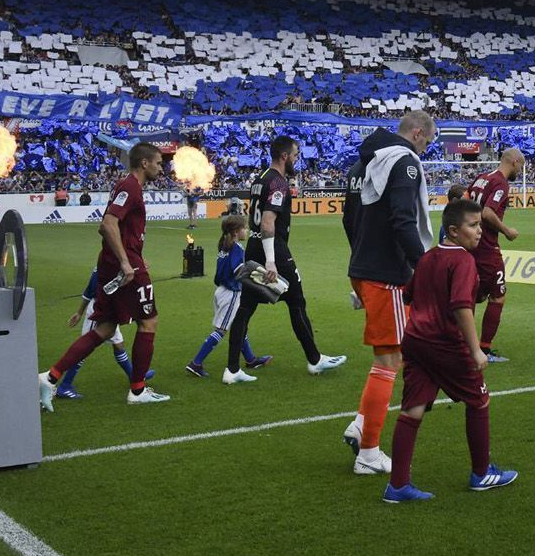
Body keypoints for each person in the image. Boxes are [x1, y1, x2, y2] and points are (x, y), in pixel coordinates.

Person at [382, 198, 518, 503]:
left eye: (480, 225)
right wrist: (476, 350)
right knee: (479, 401)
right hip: (445, 343)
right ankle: (482, 473)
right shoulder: (464, 261)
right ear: (453, 231)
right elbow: (460, 307)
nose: (479, 232)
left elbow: (410, 295)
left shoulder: (429, 257)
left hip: (415, 340)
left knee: (413, 408)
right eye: (473, 226)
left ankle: (398, 484)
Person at [38, 143, 170, 410]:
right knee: (149, 321)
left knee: (106, 327)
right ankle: (137, 390)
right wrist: (126, 261)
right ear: (144, 163)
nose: (161, 167)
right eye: (158, 162)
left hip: (113, 265)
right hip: (124, 266)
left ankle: (49, 377)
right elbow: (107, 224)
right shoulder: (130, 186)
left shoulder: (128, 187)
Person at [344, 112, 435, 476]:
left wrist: (360, 260)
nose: (425, 150)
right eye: (426, 143)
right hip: (387, 274)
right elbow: (403, 220)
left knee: (388, 354)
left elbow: (348, 219)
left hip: (364, 268)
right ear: (416, 134)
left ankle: (360, 425)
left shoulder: (362, 163)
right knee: (389, 360)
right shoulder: (404, 163)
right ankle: (368, 454)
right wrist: (424, 266)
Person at [225, 136, 345, 385]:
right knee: (297, 301)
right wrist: (271, 261)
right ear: (284, 156)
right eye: (295, 154)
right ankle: (314, 360)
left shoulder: (260, 179)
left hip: (253, 247)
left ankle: (232, 369)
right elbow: (268, 222)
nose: (297, 159)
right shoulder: (278, 182)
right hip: (274, 250)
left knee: (246, 308)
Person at [184, 215, 270, 378]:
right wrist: (255, 276)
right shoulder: (237, 248)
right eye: (244, 228)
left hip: (222, 290)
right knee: (221, 330)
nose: (247, 230)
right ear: (237, 232)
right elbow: (237, 271)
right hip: (231, 293)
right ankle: (196, 363)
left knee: (238, 325)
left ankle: (250, 359)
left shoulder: (224, 246)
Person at [52, 269, 156, 399]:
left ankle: (135, 376)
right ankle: (64, 386)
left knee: (118, 344)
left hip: (111, 309)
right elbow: (90, 290)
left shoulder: (113, 262)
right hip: (98, 310)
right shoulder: (104, 267)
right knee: (84, 350)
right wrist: (79, 312)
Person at [466, 148, 524, 362]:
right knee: (498, 296)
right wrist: (507, 231)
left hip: (469, 245)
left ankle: (464, 346)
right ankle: (484, 350)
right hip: (487, 248)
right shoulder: (500, 183)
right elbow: (488, 212)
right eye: (521, 166)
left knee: (470, 295)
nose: (520, 170)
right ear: (515, 162)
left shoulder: (482, 178)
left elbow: (463, 200)